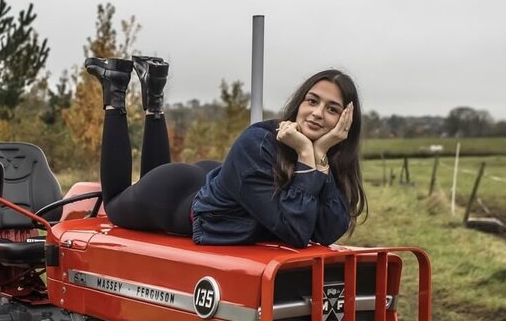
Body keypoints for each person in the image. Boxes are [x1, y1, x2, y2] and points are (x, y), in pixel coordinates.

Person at [84, 56, 366, 248]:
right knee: (115, 205)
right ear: (299, 103)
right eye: (312, 101)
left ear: (345, 121)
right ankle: (115, 87)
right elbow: (296, 232)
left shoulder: (326, 155)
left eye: (332, 109)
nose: (317, 113)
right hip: (173, 196)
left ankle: (153, 86)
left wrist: (320, 155)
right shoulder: (258, 143)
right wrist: (306, 154)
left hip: (217, 183)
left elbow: (326, 232)